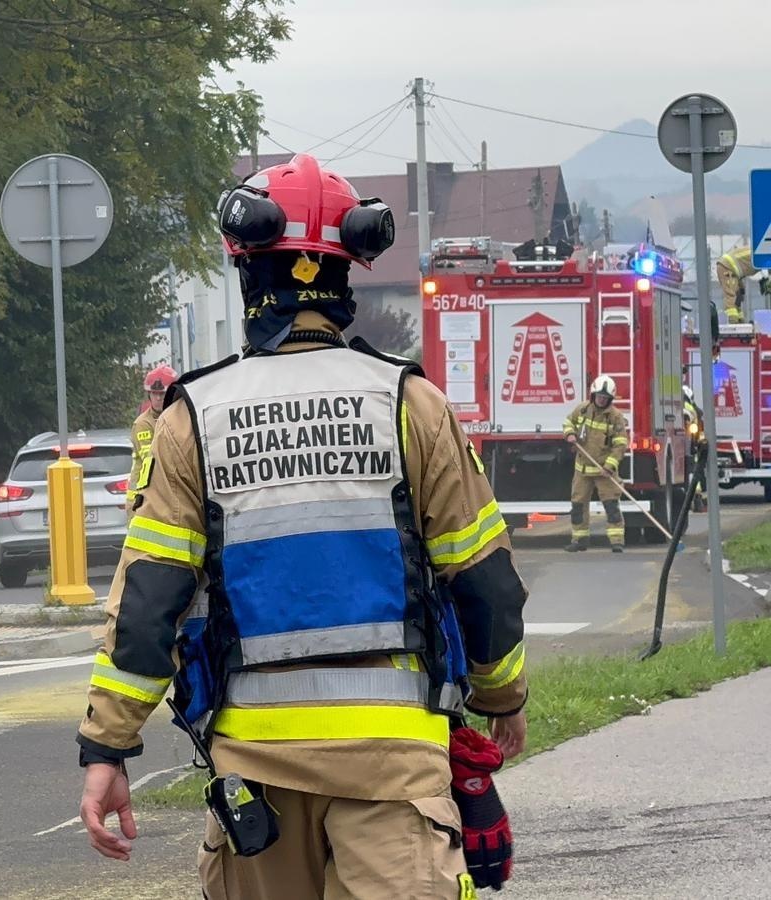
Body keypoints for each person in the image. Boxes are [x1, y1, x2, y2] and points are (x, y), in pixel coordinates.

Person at [77, 154, 529, 899]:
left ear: (247, 269)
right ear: (350, 268)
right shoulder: (412, 405)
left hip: (254, 778)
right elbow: (484, 580)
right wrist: (501, 700)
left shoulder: (192, 418)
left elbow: (149, 601)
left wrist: (107, 747)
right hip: (395, 767)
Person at [562, 374, 628, 553]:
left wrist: (610, 465)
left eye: (605, 398)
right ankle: (579, 540)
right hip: (582, 469)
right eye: (599, 396)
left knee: (611, 506)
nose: (601, 400)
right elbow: (568, 422)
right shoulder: (583, 409)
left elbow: (621, 444)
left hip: (604, 471)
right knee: (578, 506)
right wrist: (569, 434)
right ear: (593, 395)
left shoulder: (615, 417)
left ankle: (616, 541)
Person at [127, 365, 176, 507]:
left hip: (163, 496)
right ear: (149, 395)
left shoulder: (177, 416)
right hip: (142, 501)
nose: (158, 398)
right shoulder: (143, 424)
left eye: (162, 393)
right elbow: (152, 459)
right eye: (154, 394)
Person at [715, 246, 757, 324]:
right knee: (731, 295)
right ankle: (732, 322)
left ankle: (740, 320)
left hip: (733, 269)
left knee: (740, 293)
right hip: (727, 266)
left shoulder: (759, 252)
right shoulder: (762, 255)